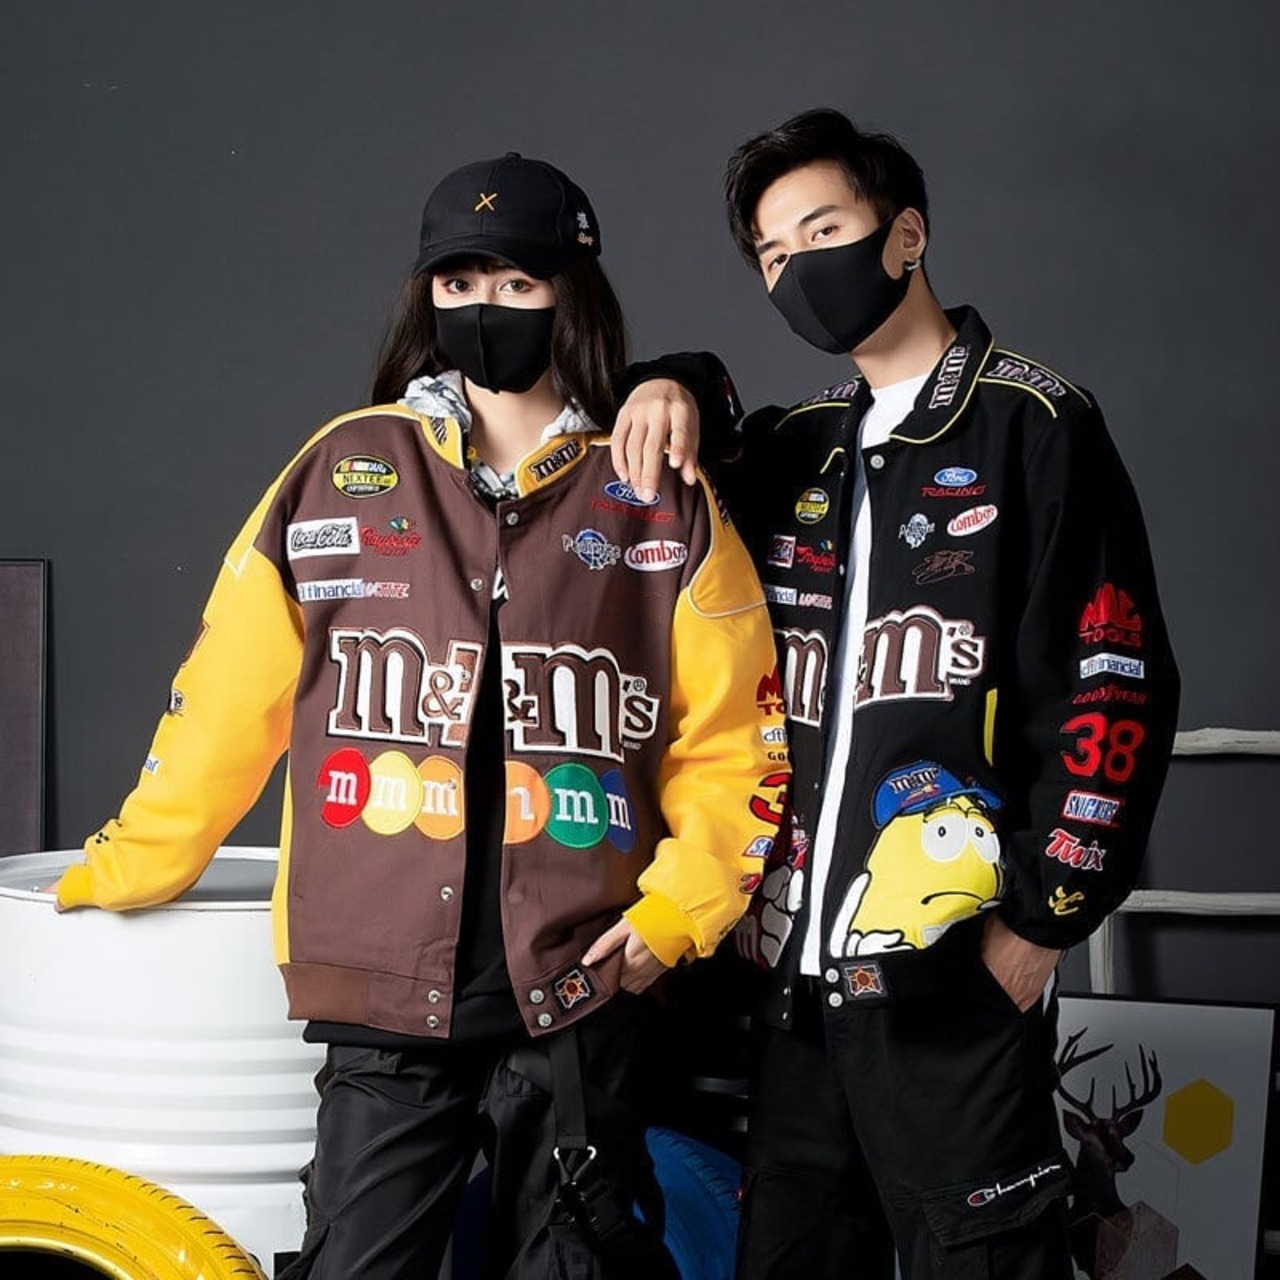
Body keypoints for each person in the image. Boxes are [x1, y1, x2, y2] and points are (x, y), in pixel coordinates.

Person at [52, 151, 789, 1279]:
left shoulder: (655, 494)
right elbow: (226, 700)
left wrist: (675, 914)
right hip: (385, 979)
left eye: (516, 283)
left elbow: (735, 739)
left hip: (583, 978)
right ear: (425, 295)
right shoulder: (342, 467)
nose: (484, 306)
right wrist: (127, 863)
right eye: (458, 283)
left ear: (570, 294)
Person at [614, 109, 1180, 1278]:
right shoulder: (798, 444)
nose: (795, 269)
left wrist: (1039, 923)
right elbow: (685, 443)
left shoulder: (1034, 421)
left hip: (950, 982)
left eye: (820, 230)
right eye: (770, 254)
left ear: (905, 234)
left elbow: (1112, 681)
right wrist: (665, 380)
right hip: (790, 989)